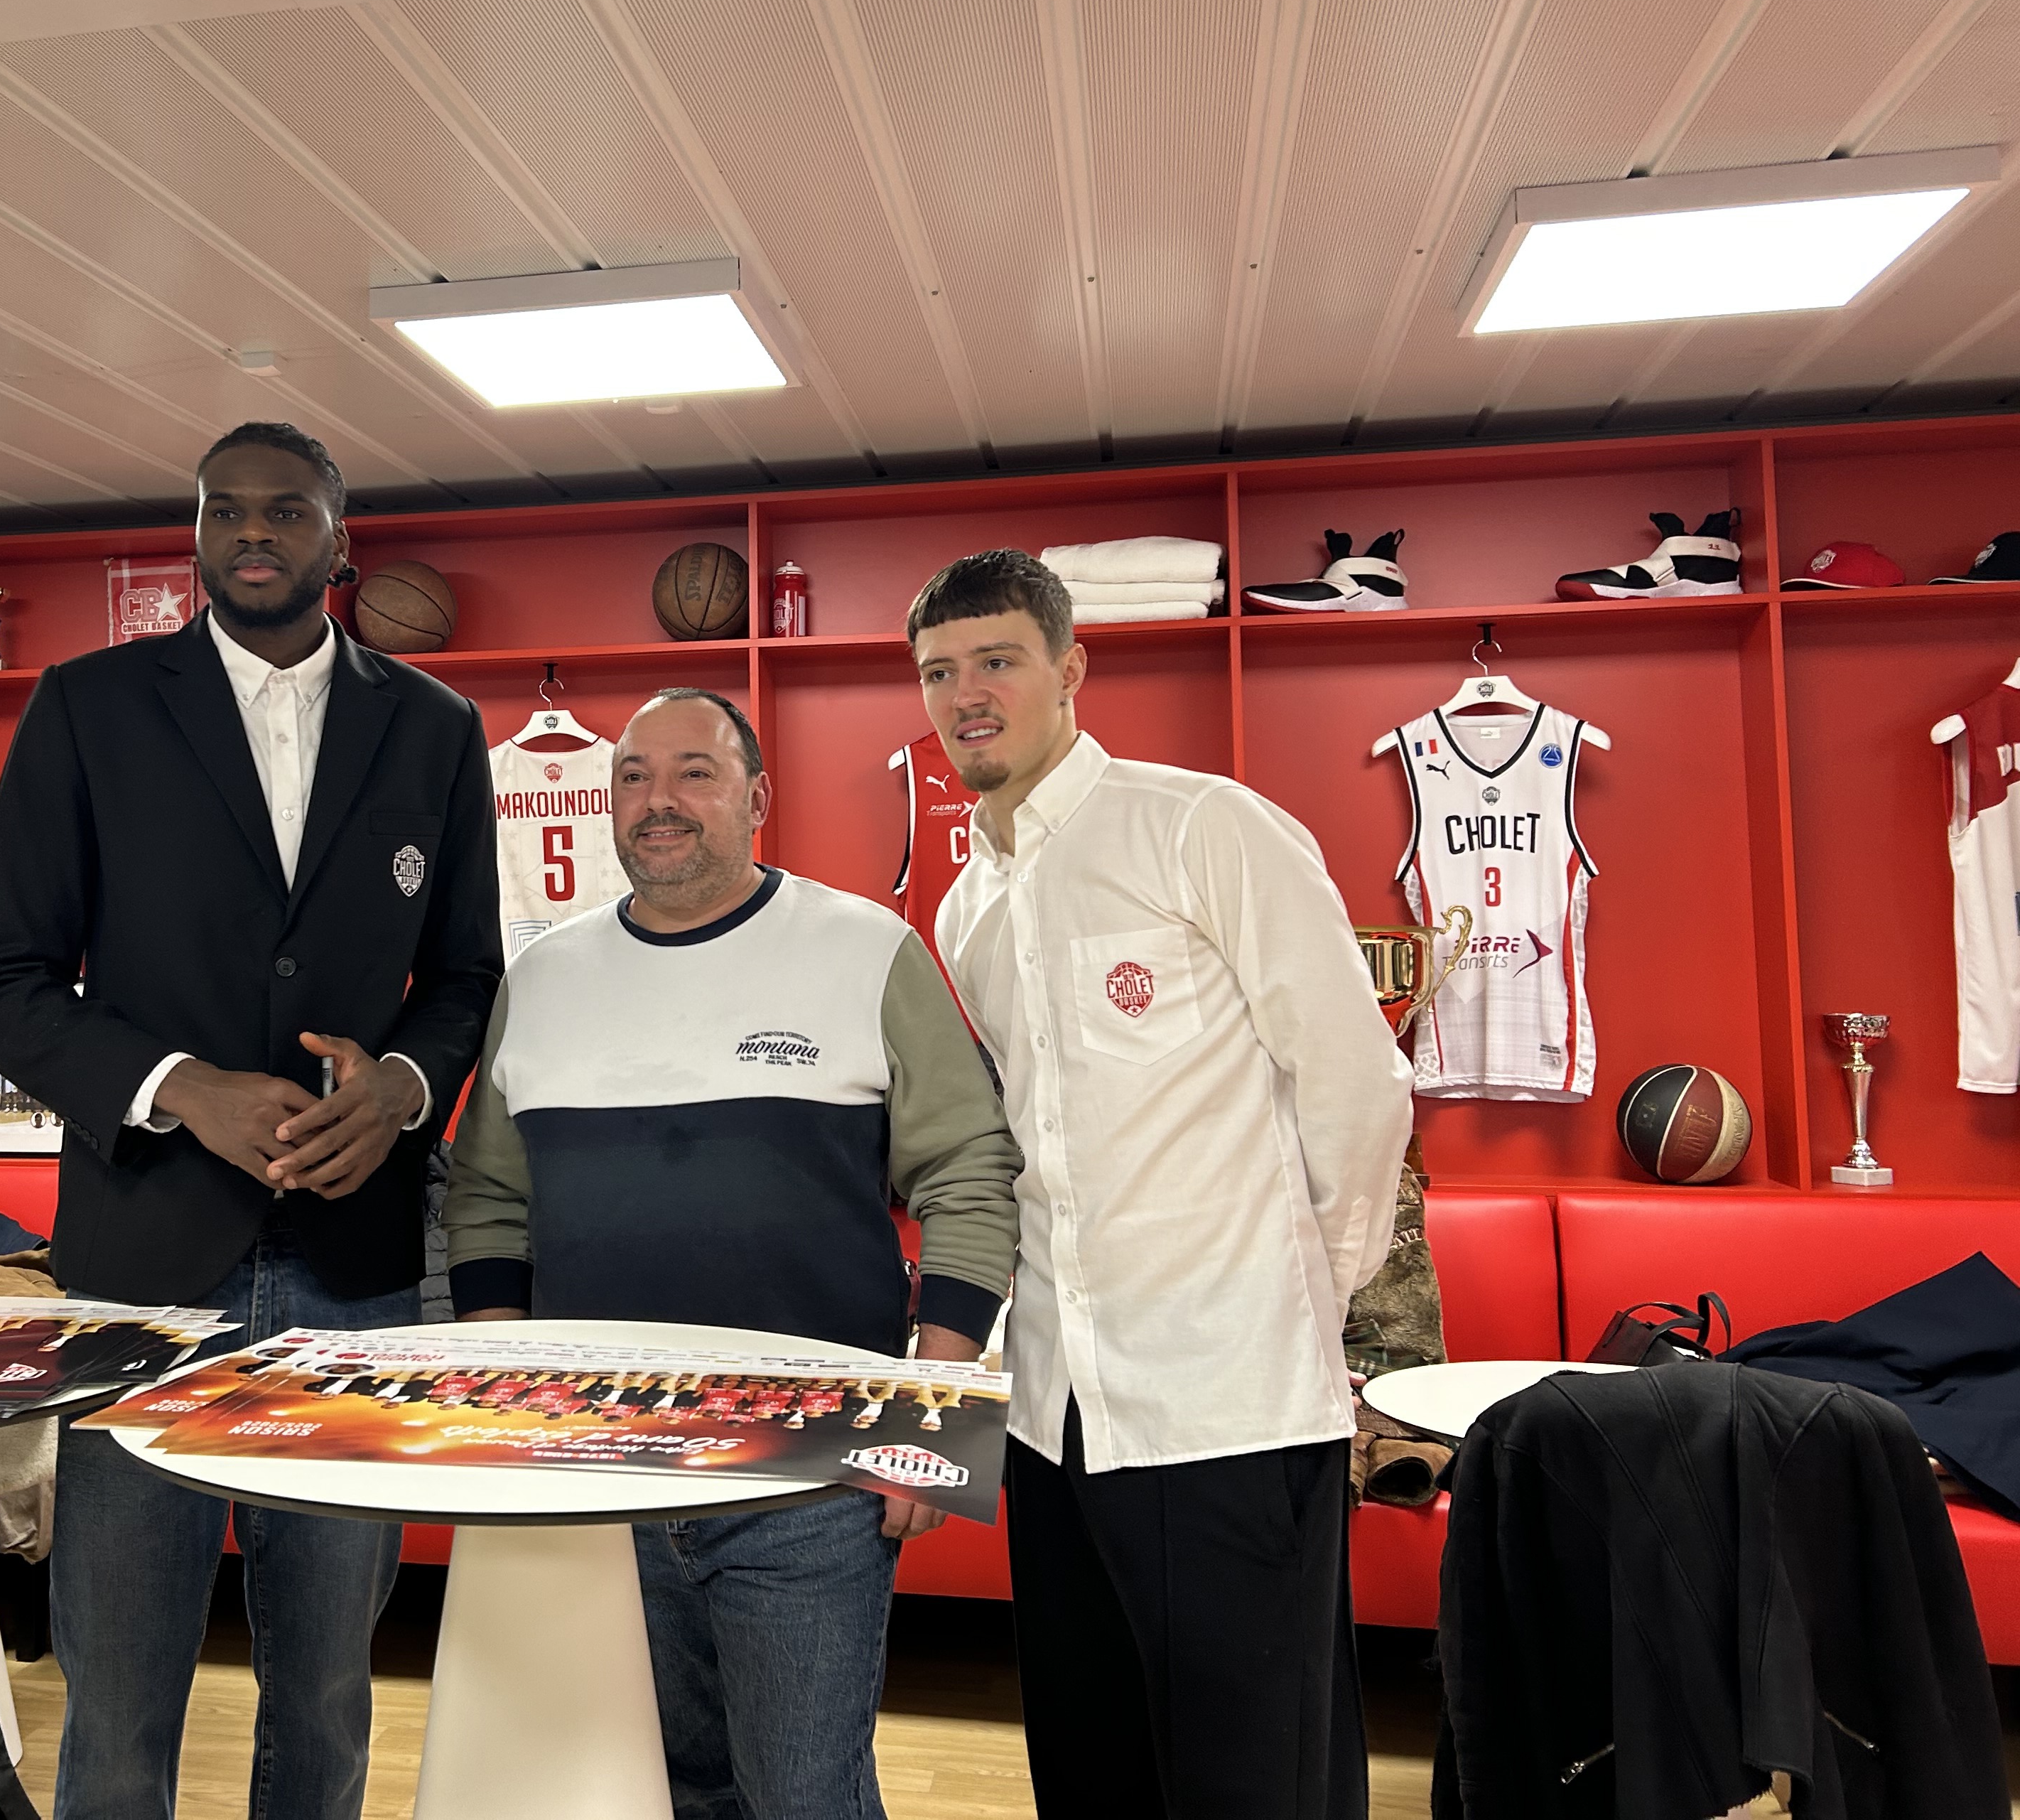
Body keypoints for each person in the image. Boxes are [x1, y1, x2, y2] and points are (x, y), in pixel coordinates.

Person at [0, 421, 502, 1820]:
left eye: (287, 511)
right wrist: (177, 1087)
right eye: (226, 511)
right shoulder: (87, 707)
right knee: (120, 1693)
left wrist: (402, 1088)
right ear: (196, 531)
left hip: (356, 1270)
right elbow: (1, 982)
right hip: (145, 1262)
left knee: (323, 1692)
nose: (254, 532)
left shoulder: (434, 726)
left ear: (339, 537)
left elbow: (466, 977)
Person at [446, 686, 1021, 1820]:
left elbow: (969, 1170)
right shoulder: (541, 975)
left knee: (804, 1795)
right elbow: (487, 1201)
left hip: (813, 1474)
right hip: (600, 1474)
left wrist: (933, 1417)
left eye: (694, 773)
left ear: (758, 799)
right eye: (633, 776)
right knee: (664, 1789)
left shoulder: (867, 948)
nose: (657, 801)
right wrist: (508, 1416)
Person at [909, 548, 1410, 1820]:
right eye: (939, 672)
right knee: (1093, 1769)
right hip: (1052, 1415)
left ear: (1071, 669)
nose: (967, 695)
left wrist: (1304, 1297)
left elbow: (1358, 1083)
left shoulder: (1204, 828)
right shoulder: (966, 907)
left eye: (997, 661)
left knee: (1259, 1782)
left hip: (1225, 1403)